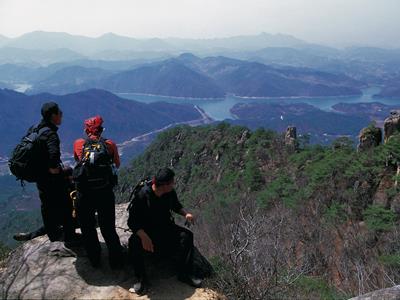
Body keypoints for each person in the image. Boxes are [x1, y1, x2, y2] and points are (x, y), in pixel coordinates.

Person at [127, 168, 202, 294]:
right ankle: (141, 279)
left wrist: (186, 214)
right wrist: (144, 236)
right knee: (133, 243)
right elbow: (132, 221)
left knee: (187, 236)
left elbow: (176, 205)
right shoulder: (143, 196)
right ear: (164, 185)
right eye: (172, 182)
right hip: (147, 231)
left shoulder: (169, 192)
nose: (174, 184)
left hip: (165, 227)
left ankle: (183, 273)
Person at [73, 115, 123, 269]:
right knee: (108, 228)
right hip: (104, 193)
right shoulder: (110, 144)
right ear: (101, 130)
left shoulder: (79, 144)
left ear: (86, 130)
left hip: (85, 194)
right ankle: (116, 261)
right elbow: (117, 164)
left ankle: (95, 260)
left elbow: (78, 162)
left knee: (87, 228)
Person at [35, 102, 76, 247]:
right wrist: (54, 169)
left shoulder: (36, 129)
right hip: (51, 179)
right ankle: (70, 238)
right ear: (53, 116)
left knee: (46, 205)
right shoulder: (50, 134)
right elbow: (53, 157)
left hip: (40, 178)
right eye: (60, 112)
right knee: (65, 205)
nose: (62, 115)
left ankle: (53, 234)